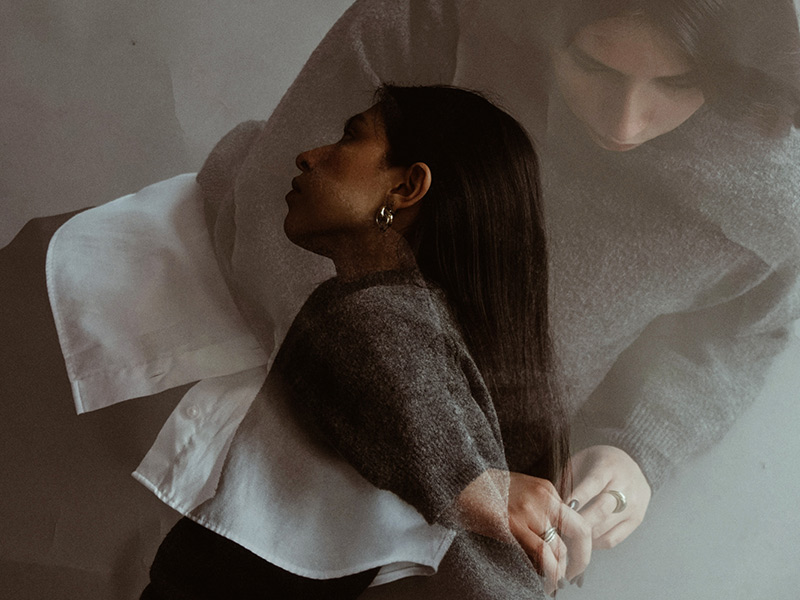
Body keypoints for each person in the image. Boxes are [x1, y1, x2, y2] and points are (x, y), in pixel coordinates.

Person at [180, 0, 799, 585]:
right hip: (255, 330)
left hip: (488, 458)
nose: (625, 122)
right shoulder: (432, 19)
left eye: (678, 82)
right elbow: (287, 214)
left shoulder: (777, 176)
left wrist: (635, 446)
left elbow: (738, 331)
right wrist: (456, 469)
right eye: (593, 65)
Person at [139, 84, 588, 600]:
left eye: (349, 137)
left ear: (406, 187)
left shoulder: (369, 313)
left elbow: (401, 393)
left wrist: (472, 484)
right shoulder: (405, 315)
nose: (309, 156)